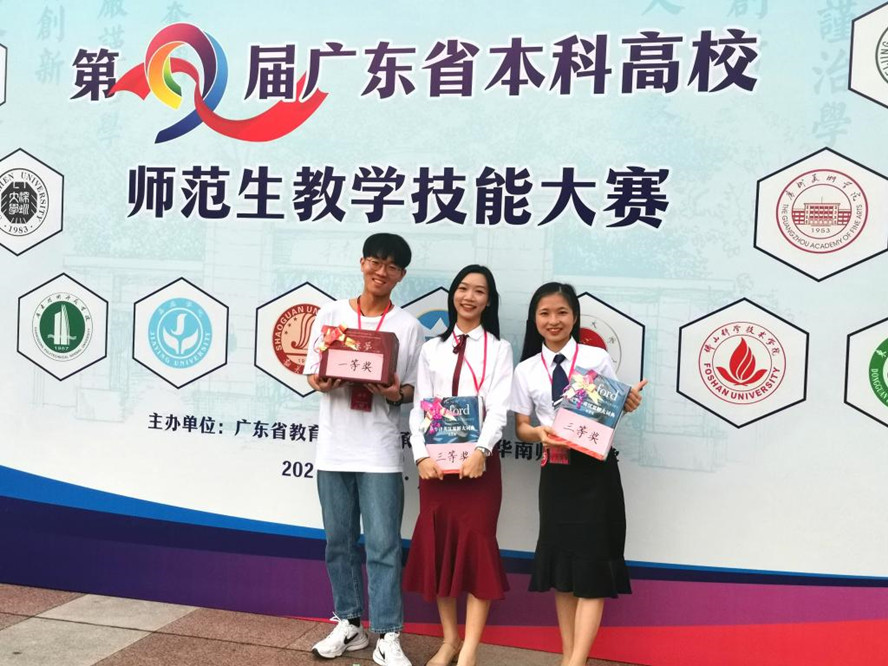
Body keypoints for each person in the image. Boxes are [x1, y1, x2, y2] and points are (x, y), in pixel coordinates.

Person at [304, 233, 424, 666]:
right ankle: (349, 622)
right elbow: (312, 372)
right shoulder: (331, 315)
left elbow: (413, 389)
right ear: (362, 263)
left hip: (379, 451)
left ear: (401, 275)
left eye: (392, 267)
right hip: (334, 448)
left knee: (383, 545)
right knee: (338, 542)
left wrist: (394, 392)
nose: (381, 272)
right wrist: (320, 380)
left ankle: (388, 633)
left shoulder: (408, 327)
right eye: (375, 261)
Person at [510, 283, 646, 666]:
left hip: (595, 474)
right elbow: (521, 427)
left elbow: (610, 412)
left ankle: (574, 662)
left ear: (574, 316)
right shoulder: (526, 370)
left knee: (592, 569)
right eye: (545, 313)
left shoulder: (595, 358)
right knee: (565, 571)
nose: (553, 321)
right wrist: (539, 433)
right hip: (556, 475)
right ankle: (571, 658)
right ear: (534, 319)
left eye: (562, 312)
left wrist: (626, 403)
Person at [403, 265, 513, 666]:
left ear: (489, 301)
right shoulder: (432, 349)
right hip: (435, 466)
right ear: (453, 295)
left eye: (479, 291)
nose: (469, 296)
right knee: (440, 551)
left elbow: (499, 408)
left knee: (478, 552)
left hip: (479, 467)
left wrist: (481, 451)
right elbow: (420, 408)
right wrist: (421, 455)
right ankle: (450, 639)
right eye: (463, 288)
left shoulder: (499, 349)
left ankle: (469, 651)